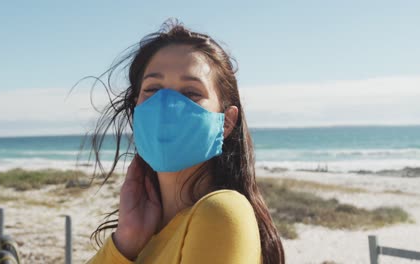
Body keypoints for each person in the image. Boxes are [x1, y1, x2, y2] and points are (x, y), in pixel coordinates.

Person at [84, 18, 285, 264]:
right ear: (136, 108)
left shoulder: (221, 212)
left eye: (191, 93)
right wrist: (125, 242)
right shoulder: (142, 237)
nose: (166, 105)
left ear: (226, 122)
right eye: (153, 90)